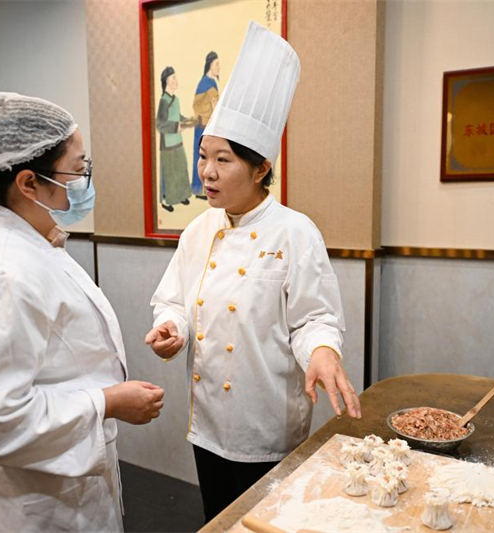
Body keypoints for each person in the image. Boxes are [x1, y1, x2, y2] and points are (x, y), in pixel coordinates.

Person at [145, 23, 361, 522]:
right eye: (203, 156)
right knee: (218, 520)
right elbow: (174, 298)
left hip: (267, 429)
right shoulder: (198, 230)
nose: (208, 172)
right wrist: (172, 327)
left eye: (223, 160)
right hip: (208, 426)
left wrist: (324, 351)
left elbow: (313, 320)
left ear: (261, 168)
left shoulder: (295, 231)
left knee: (268, 525)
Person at [0, 92, 164, 532]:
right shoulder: (0, 270)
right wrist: (108, 401)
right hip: (32, 501)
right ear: (28, 183)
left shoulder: (36, 242)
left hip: (63, 480)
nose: (84, 180)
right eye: (77, 169)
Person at [156, 66, 193, 212]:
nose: (176, 81)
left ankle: (181, 195)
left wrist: (188, 121)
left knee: (181, 169)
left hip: (178, 141)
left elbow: (177, 116)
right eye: (173, 78)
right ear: (166, 81)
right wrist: (176, 126)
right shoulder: (163, 101)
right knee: (170, 173)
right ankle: (168, 200)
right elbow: (160, 124)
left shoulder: (176, 99)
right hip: (168, 144)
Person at [190, 51, 220, 199]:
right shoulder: (204, 83)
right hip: (202, 126)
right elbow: (198, 106)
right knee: (201, 157)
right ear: (210, 65)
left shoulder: (213, 82)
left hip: (210, 126)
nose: (218, 67)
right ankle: (199, 190)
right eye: (216, 64)